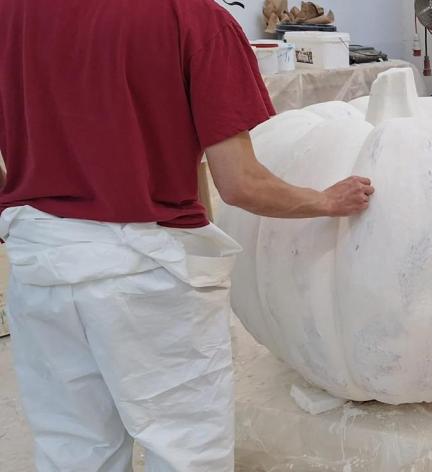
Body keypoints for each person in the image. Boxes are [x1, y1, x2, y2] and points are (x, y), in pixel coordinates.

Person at [0, 1, 374, 470]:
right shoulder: (193, 19)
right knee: (185, 451)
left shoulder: (13, 13)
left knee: (73, 449)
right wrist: (325, 201)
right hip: (146, 275)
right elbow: (240, 183)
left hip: (41, 266)